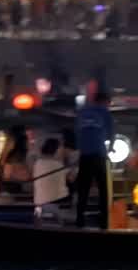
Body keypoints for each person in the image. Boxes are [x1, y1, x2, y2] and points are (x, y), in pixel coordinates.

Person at [75, 89, 114, 230]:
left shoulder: (82, 113)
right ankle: (104, 223)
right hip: (98, 155)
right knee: (103, 189)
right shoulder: (105, 113)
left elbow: (77, 134)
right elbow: (111, 135)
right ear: (105, 102)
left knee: (83, 189)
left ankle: (79, 220)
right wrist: (110, 149)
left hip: (84, 156)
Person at [33, 138, 70, 223]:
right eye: (60, 149)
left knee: (38, 219)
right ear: (56, 150)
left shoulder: (38, 163)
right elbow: (71, 178)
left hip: (38, 201)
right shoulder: (58, 165)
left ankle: (37, 220)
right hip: (56, 200)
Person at [0, 125, 32, 193]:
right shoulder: (18, 149)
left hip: (10, 178)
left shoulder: (12, 146)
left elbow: (3, 162)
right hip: (13, 179)